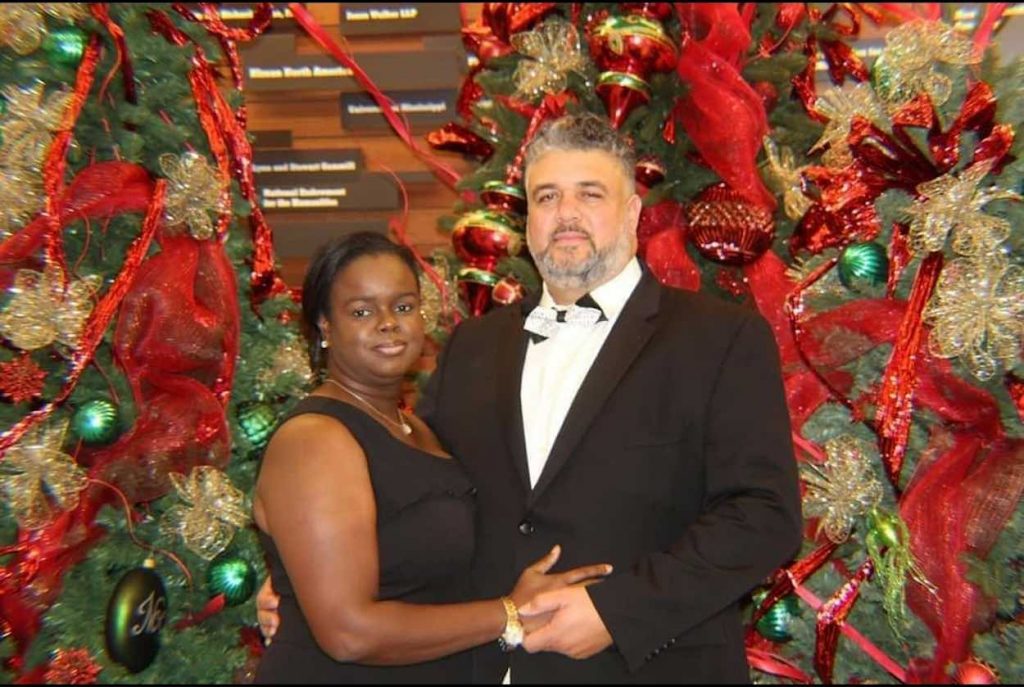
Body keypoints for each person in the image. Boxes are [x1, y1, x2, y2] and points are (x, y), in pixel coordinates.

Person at [259, 113, 803, 683]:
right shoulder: (474, 343)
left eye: (589, 194)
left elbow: (764, 516)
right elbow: (411, 493)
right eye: (547, 196)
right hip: (479, 669)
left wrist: (616, 611)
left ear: (633, 214)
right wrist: (300, 579)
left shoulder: (719, 338)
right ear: (527, 220)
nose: (565, 213)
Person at [251, 231, 612, 684]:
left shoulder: (417, 428)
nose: (388, 323)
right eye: (362, 311)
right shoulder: (316, 439)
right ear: (325, 326)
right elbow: (349, 633)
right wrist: (508, 612)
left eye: (402, 306)